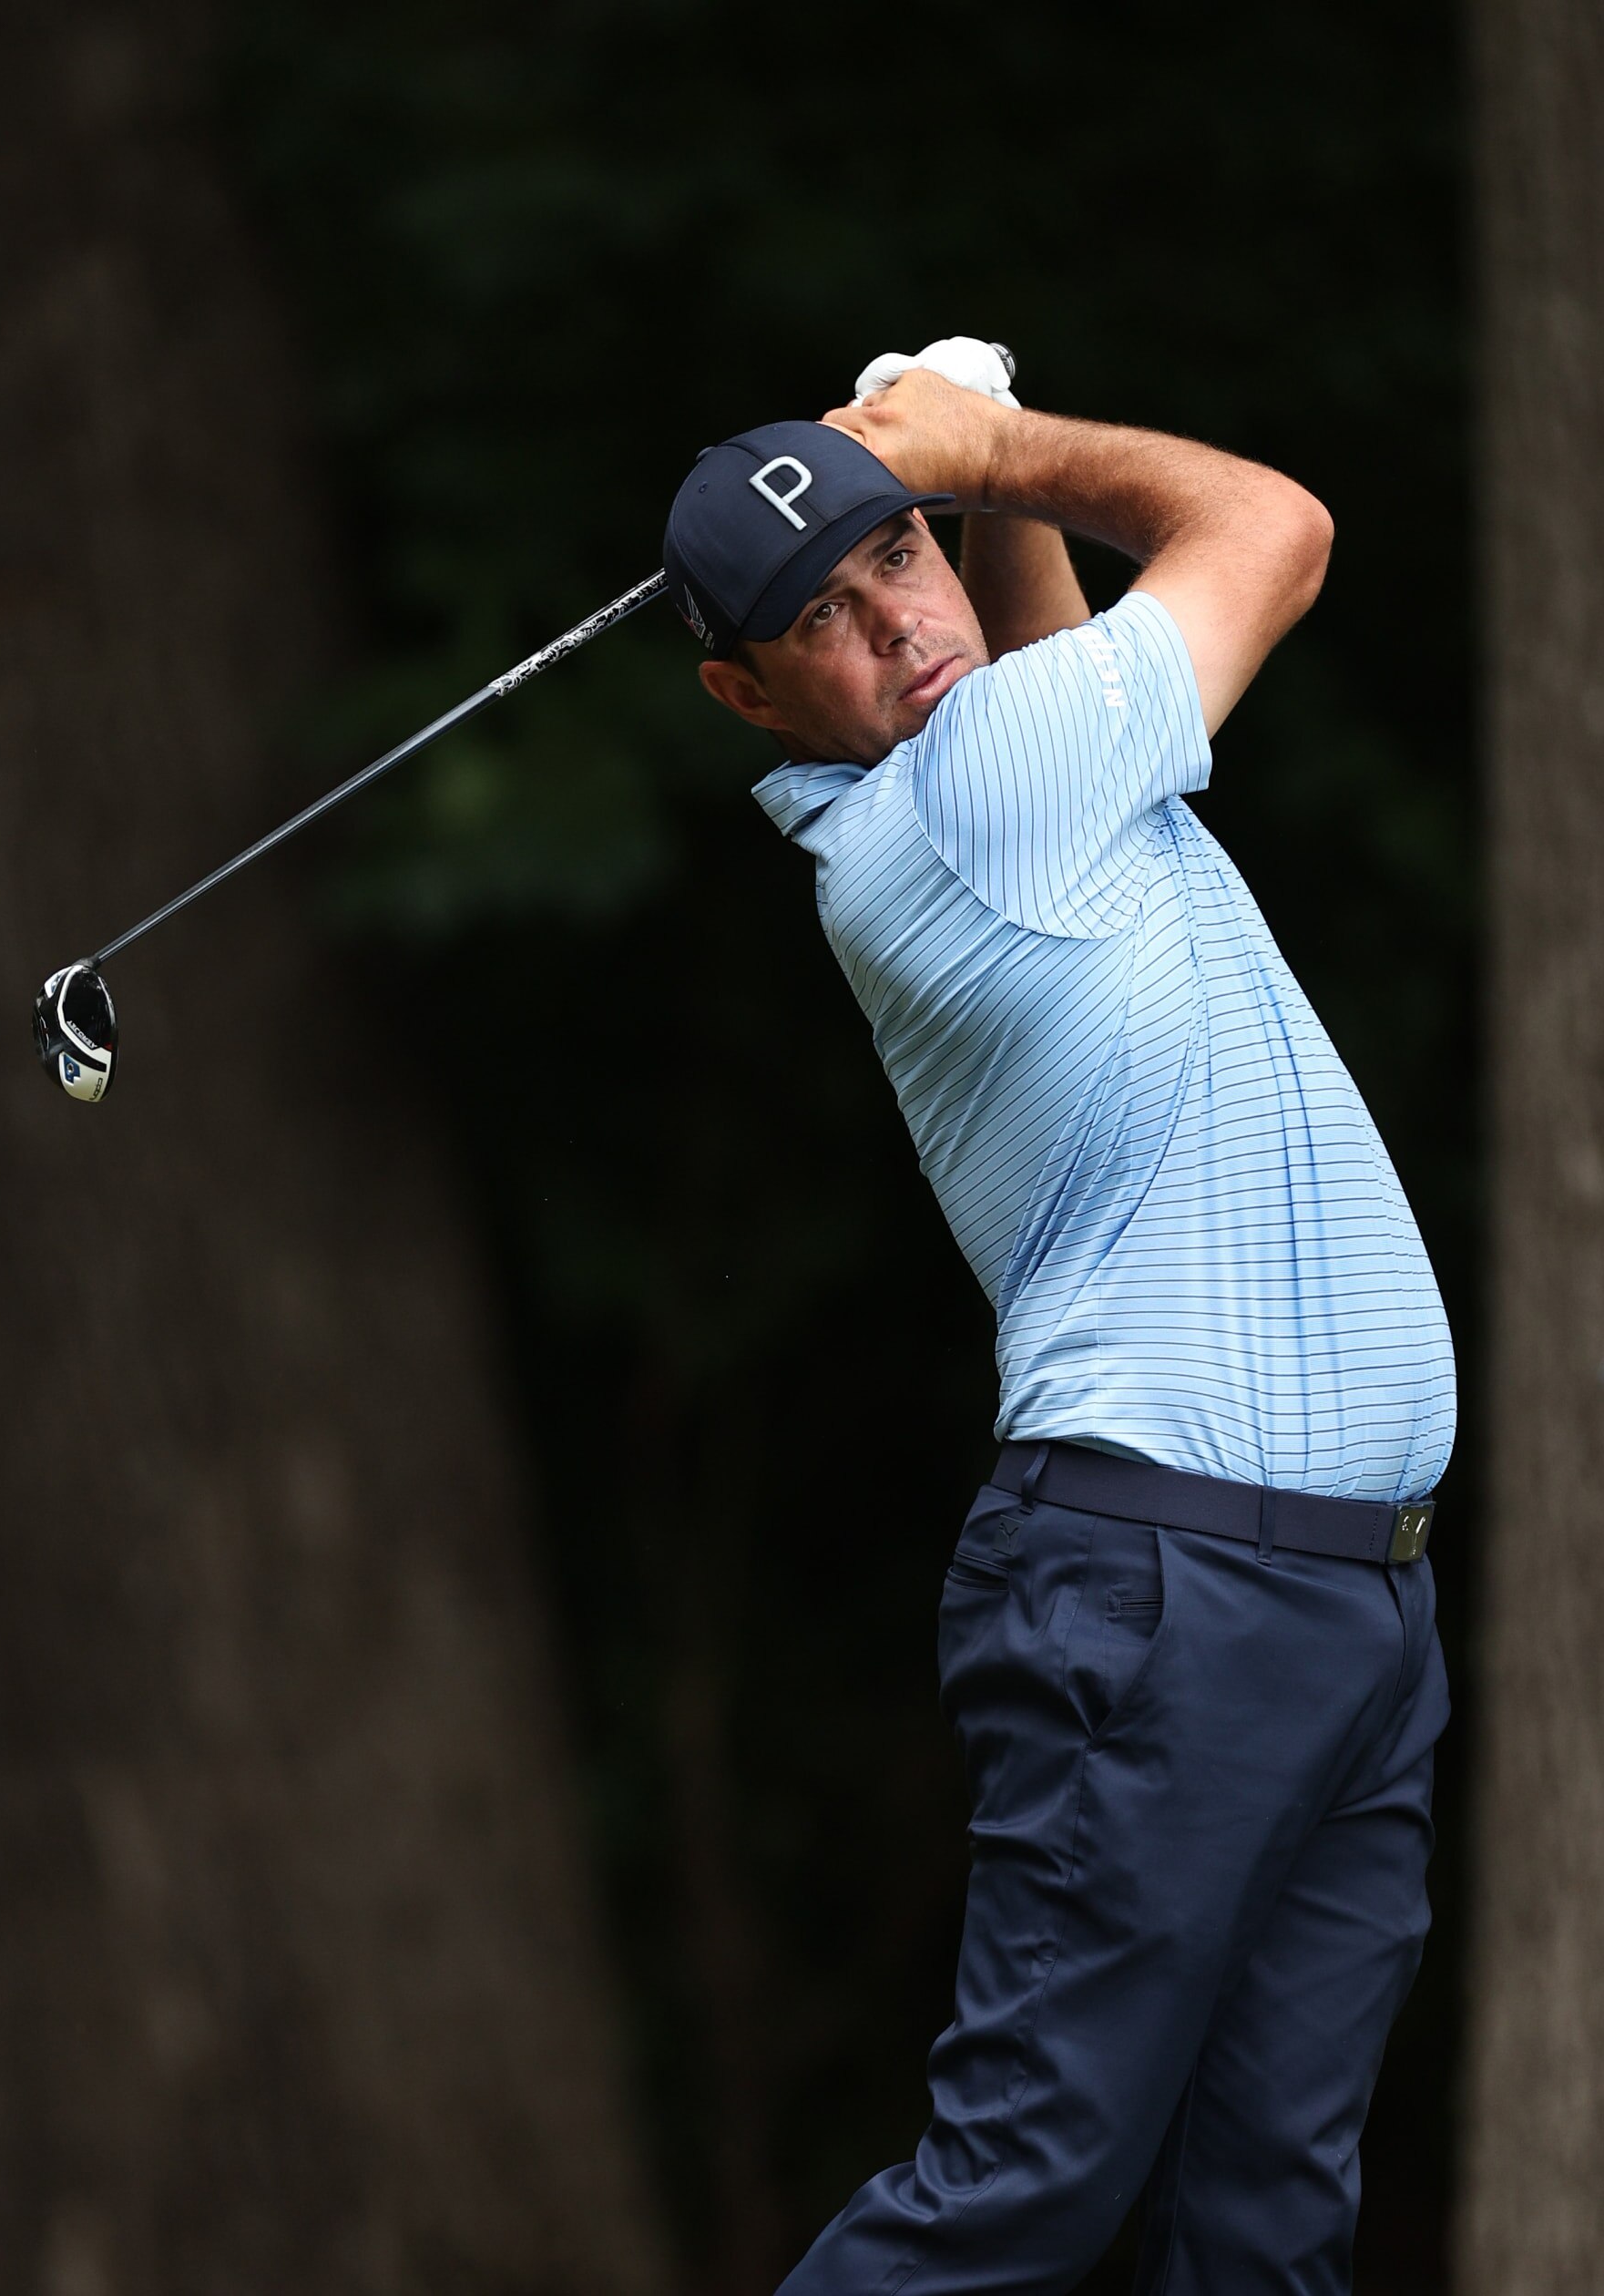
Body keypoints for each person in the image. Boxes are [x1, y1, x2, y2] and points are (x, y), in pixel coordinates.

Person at [661, 340, 1453, 2296]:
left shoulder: (1013, 768)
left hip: (1339, 1603)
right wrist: (999, 440)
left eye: (900, 559)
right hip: (1175, 1591)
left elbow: (1019, 662)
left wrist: (986, 485)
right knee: (1023, 2188)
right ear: (746, 697)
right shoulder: (981, 803)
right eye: (820, 626)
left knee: (1267, 2238)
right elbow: (1275, 529)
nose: (892, 630)